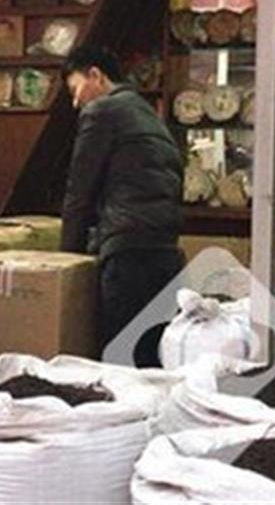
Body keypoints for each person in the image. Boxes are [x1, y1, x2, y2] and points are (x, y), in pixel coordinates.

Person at [61, 45, 184, 364]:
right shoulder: (148, 114)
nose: (75, 102)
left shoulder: (102, 112)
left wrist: (64, 262)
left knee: (120, 364)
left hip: (128, 257)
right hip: (165, 254)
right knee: (153, 361)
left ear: (95, 75)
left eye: (75, 90)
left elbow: (80, 191)